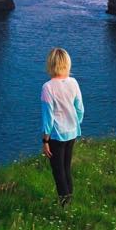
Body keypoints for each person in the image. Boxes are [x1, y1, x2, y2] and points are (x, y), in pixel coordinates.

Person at [40, 47, 84, 207]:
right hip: (72, 132)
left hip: (56, 136)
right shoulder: (73, 82)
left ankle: (65, 205)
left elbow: (48, 118)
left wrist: (45, 140)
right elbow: (80, 108)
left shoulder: (48, 88)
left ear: (51, 64)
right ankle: (69, 201)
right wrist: (75, 122)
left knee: (58, 172)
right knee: (66, 168)